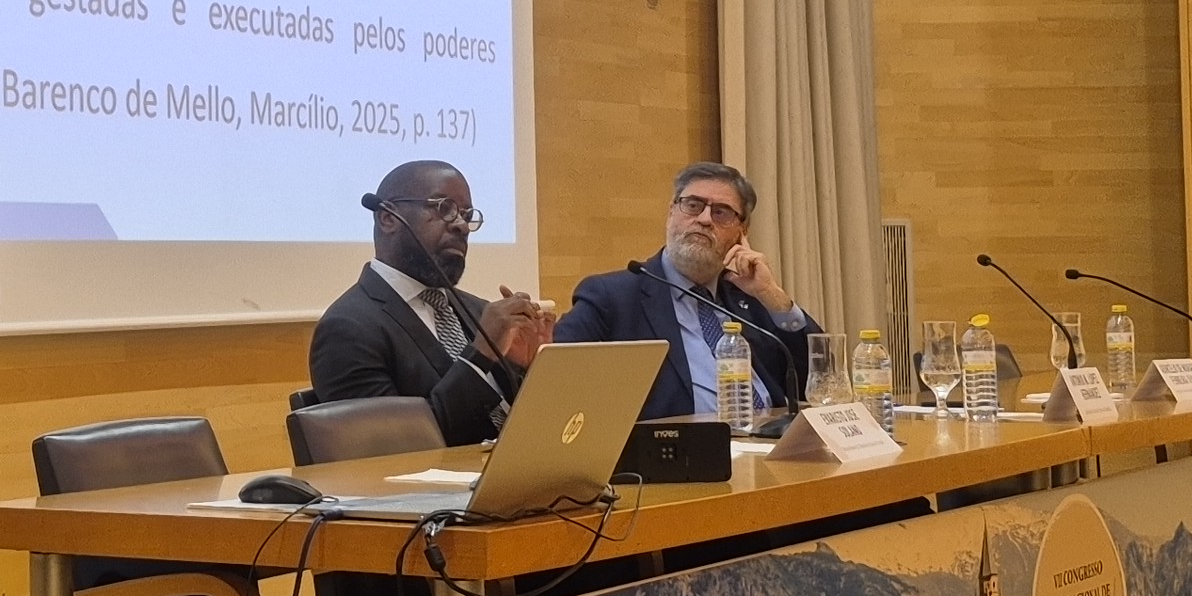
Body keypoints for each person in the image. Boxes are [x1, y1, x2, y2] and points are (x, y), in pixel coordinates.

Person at [307, 159, 551, 445]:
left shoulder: (477, 311)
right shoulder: (348, 329)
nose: (461, 225)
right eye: (444, 208)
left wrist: (530, 369)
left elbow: (515, 423)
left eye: (466, 213)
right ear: (388, 217)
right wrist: (480, 356)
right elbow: (397, 447)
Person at [555, 162, 822, 420]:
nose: (705, 219)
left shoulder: (750, 298)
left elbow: (818, 379)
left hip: (769, 447)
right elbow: (554, 375)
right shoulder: (612, 298)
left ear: (742, 231)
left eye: (721, 212)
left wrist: (771, 294)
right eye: (693, 205)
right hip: (680, 456)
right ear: (671, 212)